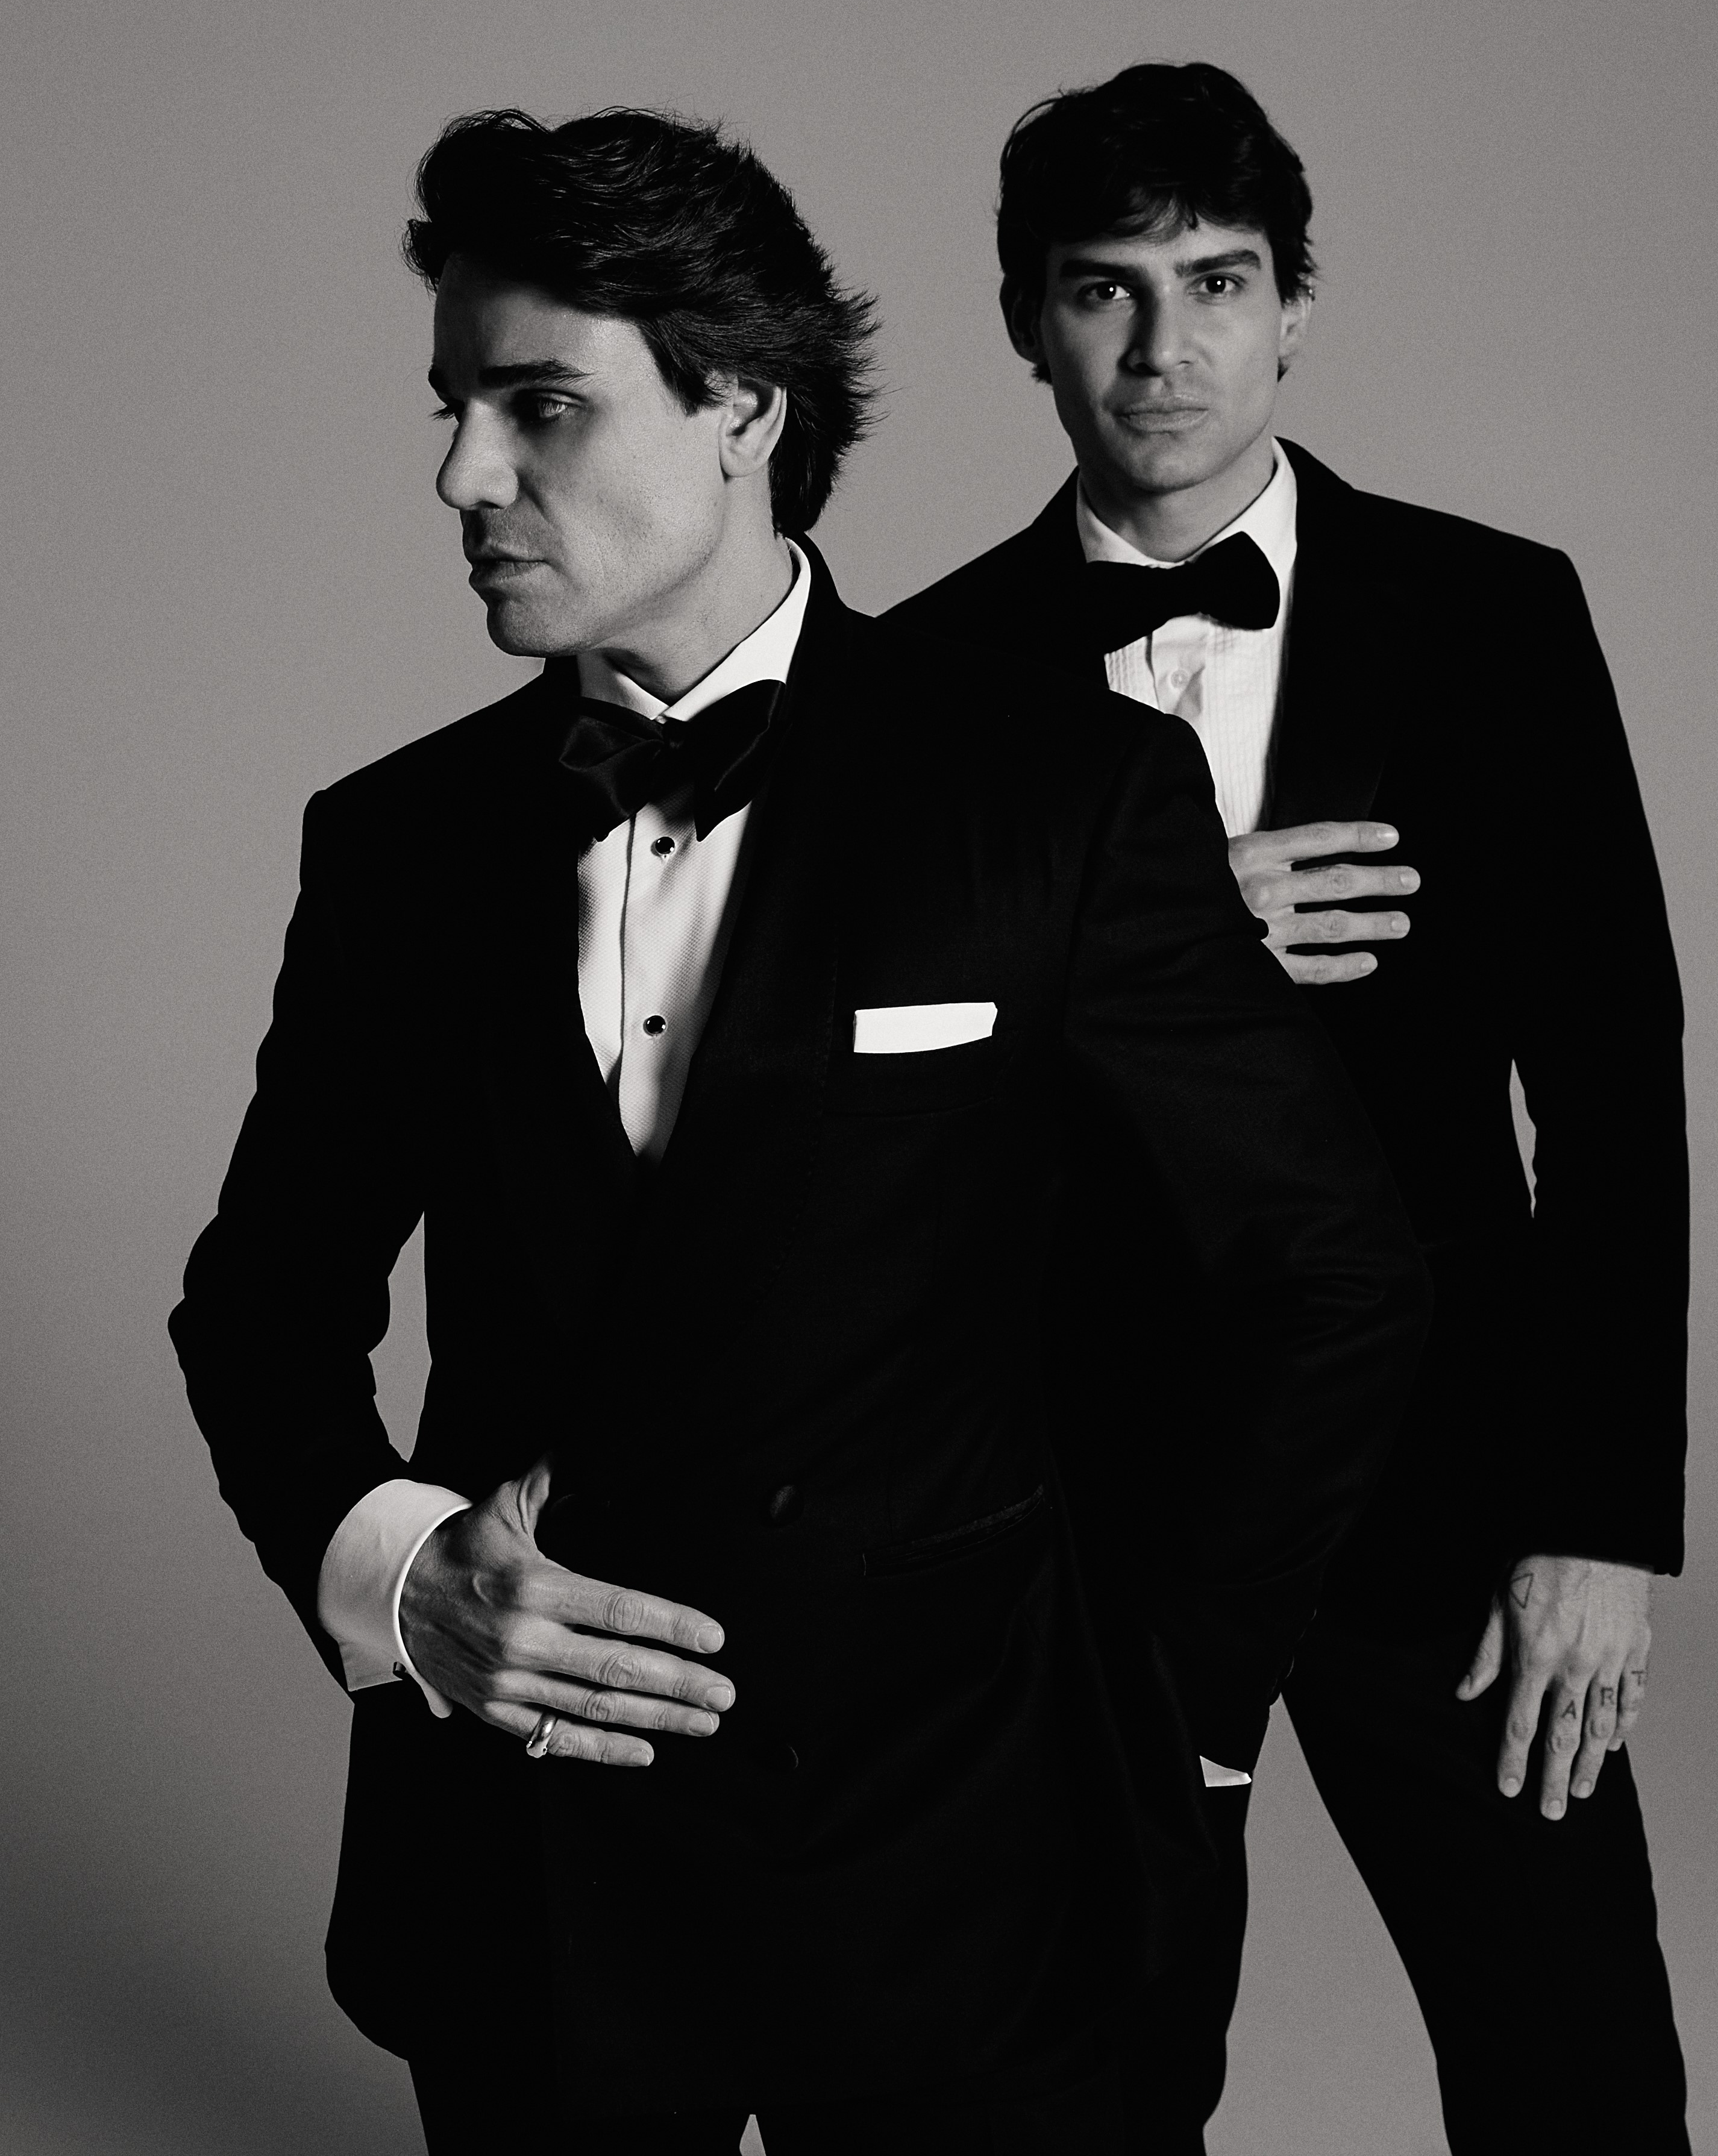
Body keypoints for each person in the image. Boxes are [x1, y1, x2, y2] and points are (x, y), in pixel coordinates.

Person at [169, 103, 1431, 2154]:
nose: (462, 475)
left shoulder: (1060, 801)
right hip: (536, 1873)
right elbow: (261, 1306)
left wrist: (1178, 1712)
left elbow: (1331, 1274)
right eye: (453, 409)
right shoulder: (400, 845)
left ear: (742, 405)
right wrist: (399, 1575)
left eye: (539, 407)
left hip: (965, 1862)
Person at [888, 61, 1694, 2154]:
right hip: (1078, 1507)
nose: (1166, 348)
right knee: (1078, 2083)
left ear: (1297, 307)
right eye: (1105, 290)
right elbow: (878, 1133)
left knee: (1579, 2074)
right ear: (1024, 319)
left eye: (1221, 283)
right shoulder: (920, 689)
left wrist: (1600, 1518)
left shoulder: (1495, 614)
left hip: (1444, 1476)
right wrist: (1145, 941)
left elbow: (1616, 1088)